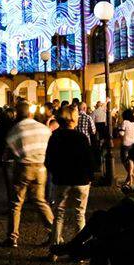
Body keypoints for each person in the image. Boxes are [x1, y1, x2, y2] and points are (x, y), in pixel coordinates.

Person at [3, 101, 54, 248]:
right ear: (30, 113)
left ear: (17, 114)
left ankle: (13, 237)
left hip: (24, 167)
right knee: (40, 200)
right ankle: (53, 232)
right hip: (41, 167)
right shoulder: (43, 128)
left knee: (16, 203)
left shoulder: (16, 130)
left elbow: (8, 153)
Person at [45, 105, 93, 252]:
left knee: (59, 214)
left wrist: (55, 173)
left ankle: (55, 250)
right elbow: (89, 160)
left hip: (62, 180)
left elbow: (49, 160)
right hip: (81, 181)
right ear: (74, 119)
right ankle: (78, 250)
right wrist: (89, 178)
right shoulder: (82, 138)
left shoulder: (56, 137)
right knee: (80, 214)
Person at [0, 107, 17, 205]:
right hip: (16, 156)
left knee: (9, 182)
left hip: (5, 156)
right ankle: (17, 201)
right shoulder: (15, 126)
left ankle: (11, 202)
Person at [118, 109, 134, 189]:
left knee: (124, 160)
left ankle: (131, 175)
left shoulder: (125, 122)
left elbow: (121, 133)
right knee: (131, 160)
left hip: (125, 144)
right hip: (133, 144)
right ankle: (130, 178)